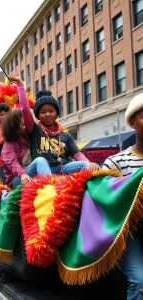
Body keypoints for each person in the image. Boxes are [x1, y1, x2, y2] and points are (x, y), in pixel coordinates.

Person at [8, 74, 99, 176]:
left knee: (85, 165)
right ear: (38, 115)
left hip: (62, 168)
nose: (47, 114)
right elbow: (25, 109)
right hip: (42, 170)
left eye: (51, 111)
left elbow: (77, 154)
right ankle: (51, 188)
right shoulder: (34, 130)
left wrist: (90, 163)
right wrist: (20, 84)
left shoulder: (66, 135)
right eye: (43, 112)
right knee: (41, 160)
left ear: (56, 113)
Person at [102, 94, 143, 300]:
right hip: (129, 233)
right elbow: (103, 201)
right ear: (132, 123)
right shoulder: (115, 162)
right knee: (140, 281)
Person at [1, 109, 33, 187]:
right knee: (40, 161)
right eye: (24, 125)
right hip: (16, 179)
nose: (28, 126)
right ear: (16, 130)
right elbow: (12, 163)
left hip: (32, 173)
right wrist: (22, 174)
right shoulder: (8, 145)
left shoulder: (33, 138)